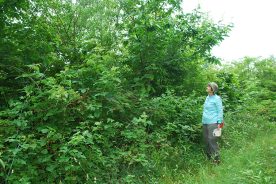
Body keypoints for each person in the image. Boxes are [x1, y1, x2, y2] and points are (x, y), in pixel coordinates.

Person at [202, 82, 224, 164]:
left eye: (209, 86)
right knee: (206, 140)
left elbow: (220, 111)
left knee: (212, 140)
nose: (207, 87)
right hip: (205, 122)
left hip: (214, 122)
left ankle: (216, 160)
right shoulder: (207, 97)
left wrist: (219, 123)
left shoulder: (217, 98)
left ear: (212, 89)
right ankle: (208, 157)